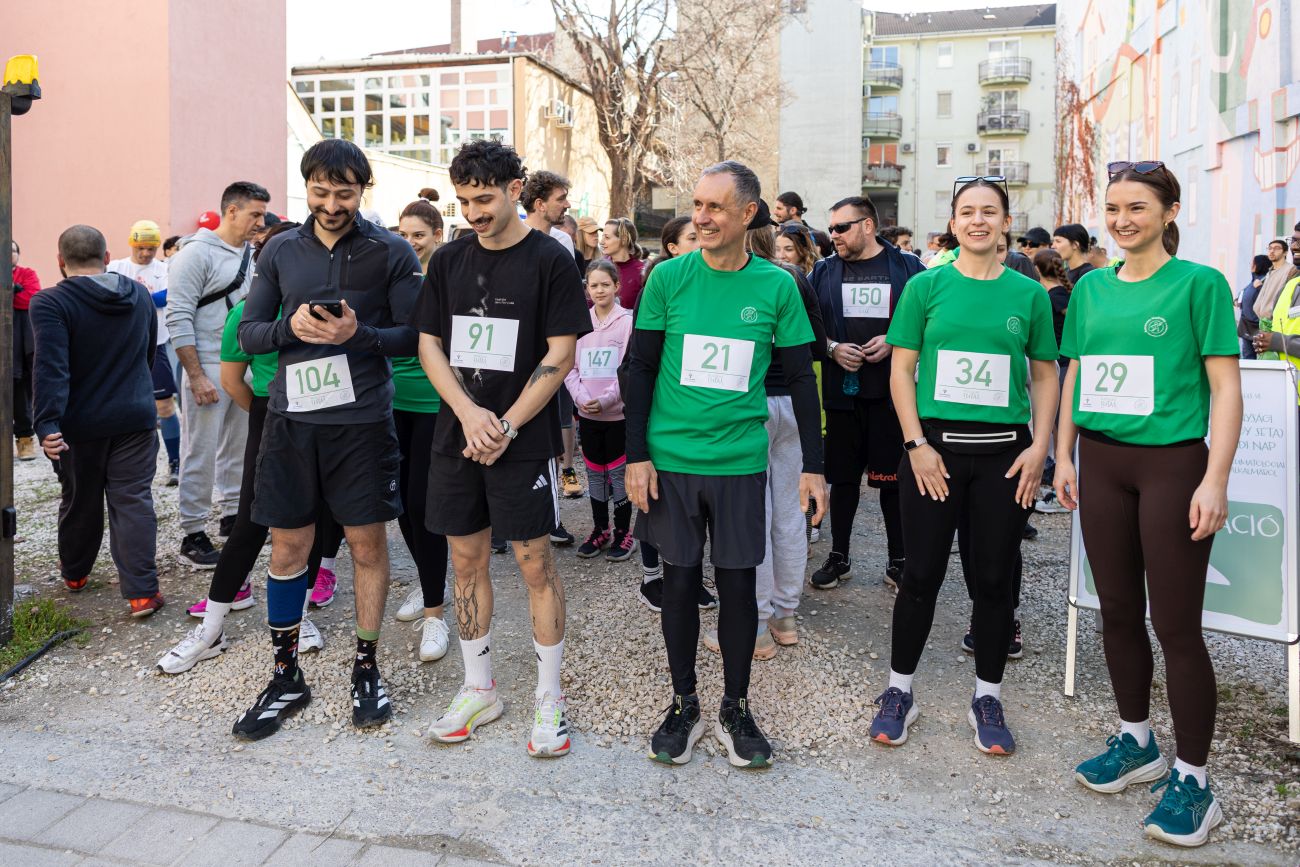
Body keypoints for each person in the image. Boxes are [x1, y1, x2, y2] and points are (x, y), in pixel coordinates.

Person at [1056, 160, 1242, 848]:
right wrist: (1063, 455)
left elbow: (1226, 387)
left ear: (1169, 212)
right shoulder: (1090, 288)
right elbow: (1076, 373)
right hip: (1102, 462)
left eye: (1137, 207)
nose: (1122, 219)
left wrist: (1215, 478)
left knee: (1176, 625)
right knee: (1116, 610)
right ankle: (1137, 741)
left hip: (1172, 465)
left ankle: (1194, 781)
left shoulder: (1200, 284)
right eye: (1113, 208)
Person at [626, 162, 827, 768]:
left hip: (741, 461)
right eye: (697, 205)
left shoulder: (777, 285)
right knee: (681, 582)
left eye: (715, 207)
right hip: (673, 459)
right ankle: (683, 702)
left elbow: (801, 378)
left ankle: (735, 707)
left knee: (739, 586)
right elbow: (639, 368)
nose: (702, 217)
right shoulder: (668, 277)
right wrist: (637, 455)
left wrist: (813, 466)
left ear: (748, 214)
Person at [230, 139, 423, 739]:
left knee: (367, 545)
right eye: (320, 192)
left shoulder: (391, 251)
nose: (332, 205)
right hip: (293, 421)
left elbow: (416, 336)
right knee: (288, 547)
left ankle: (366, 666)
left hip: (362, 424)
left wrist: (357, 334)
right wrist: (289, 327)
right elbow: (249, 334)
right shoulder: (280, 248)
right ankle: (286, 673)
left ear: (363, 189)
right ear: (306, 187)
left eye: (345, 193)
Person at [868, 176, 1058, 756]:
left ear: (1005, 223)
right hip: (935, 454)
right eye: (967, 212)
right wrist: (915, 444)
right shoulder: (925, 286)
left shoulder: (1028, 294)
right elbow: (902, 370)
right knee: (920, 575)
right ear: (953, 223)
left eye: (989, 212)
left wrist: (1040, 449)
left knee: (994, 580)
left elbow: (1045, 374)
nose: (978, 220)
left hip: (1006, 456)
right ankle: (899, 691)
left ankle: (988, 697)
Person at [416, 140, 590, 757]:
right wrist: (469, 415)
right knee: (465, 561)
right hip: (458, 436)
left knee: (535, 564)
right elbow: (429, 344)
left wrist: (507, 426)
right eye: (463, 201)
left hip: (523, 439)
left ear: (516, 190)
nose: (473, 213)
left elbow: (561, 353)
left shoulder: (551, 259)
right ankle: (478, 688)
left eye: (484, 199)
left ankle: (549, 696)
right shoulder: (448, 260)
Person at [157, 222, 335, 675]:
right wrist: (267, 414)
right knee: (249, 526)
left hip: (324, 423)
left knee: (312, 521)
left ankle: (300, 617)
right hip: (271, 419)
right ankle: (211, 627)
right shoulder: (246, 313)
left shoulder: (329, 310)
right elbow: (234, 382)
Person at [703, 217, 827, 657]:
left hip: (750, 403)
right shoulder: (793, 278)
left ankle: (754, 621)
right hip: (793, 403)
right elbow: (818, 344)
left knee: (751, 514)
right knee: (790, 513)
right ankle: (785, 614)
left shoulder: (740, 280)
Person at [32, 225, 162, 616]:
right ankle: (141, 594)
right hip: (136, 416)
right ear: (107, 258)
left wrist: (47, 423)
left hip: (79, 425)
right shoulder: (139, 293)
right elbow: (147, 353)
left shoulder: (50, 302)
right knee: (133, 501)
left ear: (60, 261)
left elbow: (51, 367)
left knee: (80, 500)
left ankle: (75, 574)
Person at [809, 195, 925, 591]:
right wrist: (831, 348)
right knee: (842, 481)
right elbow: (805, 326)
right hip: (841, 397)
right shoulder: (822, 271)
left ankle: (899, 559)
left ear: (868, 225)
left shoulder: (908, 268)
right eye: (831, 228)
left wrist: (895, 340)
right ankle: (839, 556)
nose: (834, 235)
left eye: (842, 227)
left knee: (893, 482)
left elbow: (930, 320)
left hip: (892, 397)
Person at [167, 181, 268, 567]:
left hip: (241, 364)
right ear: (232, 211)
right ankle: (192, 531)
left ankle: (231, 514)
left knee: (240, 445)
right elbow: (178, 316)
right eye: (255, 214)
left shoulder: (250, 254)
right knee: (200, 449)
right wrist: (195, 375)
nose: (260, 222)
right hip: (206, 364)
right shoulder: (195, 254)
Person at [631, 215, 714, 612]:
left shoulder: (711, 286)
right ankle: (652, 578)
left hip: (696, 421)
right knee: (652, 500)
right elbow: (639, 361)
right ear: (673, 248)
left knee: (689, 513)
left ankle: (688, 577)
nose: (702, 243)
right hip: (659, 412)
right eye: (692, 238)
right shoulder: (660, 284)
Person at [389, 197, 453, 663]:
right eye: (404, 234)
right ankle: (429, 579)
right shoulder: (390, 276)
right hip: (391, 403)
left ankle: (435, 612)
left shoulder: (445, 280)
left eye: (419, 235)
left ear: (437, 236)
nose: (410, 242)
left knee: (420, 503)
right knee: (399, 505)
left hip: (434, 403)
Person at [566, 261, 636, 560]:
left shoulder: (627, 322)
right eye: (593, 285)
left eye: (605, 284)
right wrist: (581, 398)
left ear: (616, 286)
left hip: (617, 414)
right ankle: (600, 529)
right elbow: (569, 367)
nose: (599, 290)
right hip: (587, 414)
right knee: (594, 473)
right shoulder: (580, 322)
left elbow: (629, 367)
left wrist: (607, 400)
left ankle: (623, 532)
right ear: (587, 289)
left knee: (618, 475)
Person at [522, 170, 584, 506]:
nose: (567, 205)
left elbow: (566, 299)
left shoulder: (562, 242)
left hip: (555, 350)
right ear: (539, 203)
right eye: (561, 199)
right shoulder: (513, 238)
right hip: (521, 354)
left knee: (558, 420)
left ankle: (555, 497)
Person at [108, 220, 181, 485]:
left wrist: (131, 296)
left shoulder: (165, 269)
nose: (146, 253)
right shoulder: (116, 267)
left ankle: (174, 462)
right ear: (132, 244)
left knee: (164, 405)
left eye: (151, 248)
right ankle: (123, 465)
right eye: (141, 248)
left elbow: (167, 296)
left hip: (156, 344)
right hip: (123, 346)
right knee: (121, 405)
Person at [1252, 224, 1300, 370]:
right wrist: (1265, 340)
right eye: (1293, 240)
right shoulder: (1291, 285)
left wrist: (1277, 342)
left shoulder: (1289, 274)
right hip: (1287, 380)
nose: (1295, 246)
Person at [11, 240, 41, 462]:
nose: (9, 254)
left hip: (20, 343)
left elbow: (30, 299)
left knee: (21, 391)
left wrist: (10, 292)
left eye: (13, 250)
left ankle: (25, 440)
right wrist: (12, 290)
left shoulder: (27, 274)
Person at [602, 217, 648, 310]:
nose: (601, 242)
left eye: (607, 237)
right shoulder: (599, 268)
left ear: (624, 240)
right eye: (602, 237)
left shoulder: (642, 271)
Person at [774, 190, 833, 257]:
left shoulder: (818, 237)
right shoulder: (776, 234)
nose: (775, 212)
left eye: (779, 208)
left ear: (793, 210)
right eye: (778, 249)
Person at [1237, 253, 1271, 359]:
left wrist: (1260, 288)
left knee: (1258, 360)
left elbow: (1269, 300)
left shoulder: (1264, 281)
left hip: (1257, 328)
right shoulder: (1254, 281)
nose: (1251, 265)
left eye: (1253, 263)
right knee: (1248, 359)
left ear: (1259, 265)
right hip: (1247, 328)